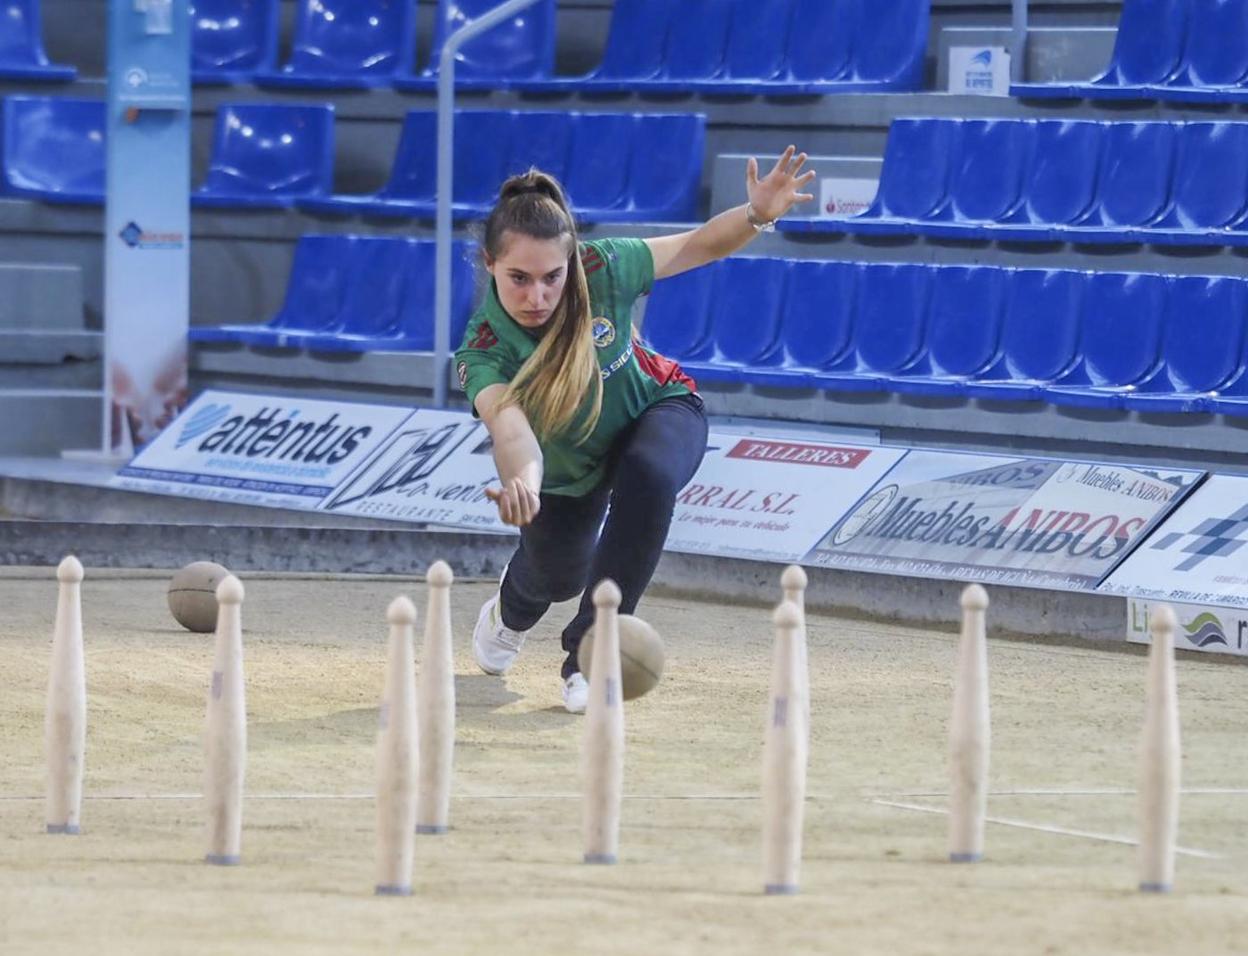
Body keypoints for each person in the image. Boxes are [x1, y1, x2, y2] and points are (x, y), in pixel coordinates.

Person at [456, 146, 816, 713]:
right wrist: (523, 481)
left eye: (552, 277)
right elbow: (510, 428)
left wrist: (756, 214)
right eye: (518, 279)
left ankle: (588, 660)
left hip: (659, 408)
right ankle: (510, 613)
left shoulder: (603, 266)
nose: (539, 296)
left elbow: (697, 245)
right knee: (553, 577)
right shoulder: (482, 349)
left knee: (648, 478)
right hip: (565, 470)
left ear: (571, 260)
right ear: (488, 264)